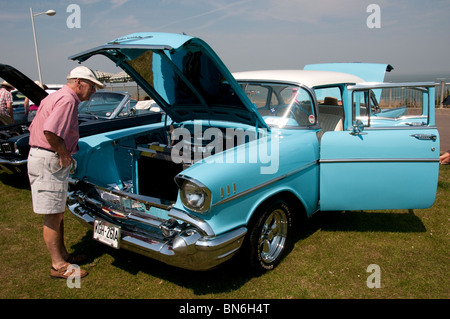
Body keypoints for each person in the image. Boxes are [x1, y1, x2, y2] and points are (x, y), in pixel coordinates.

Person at [27, 66, 104, 279]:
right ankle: (58, 266)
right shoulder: (68, 100)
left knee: (57, 212)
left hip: (42, 157)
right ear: (79, 82)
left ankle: (63, 255)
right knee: (52, 215)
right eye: (92, 86)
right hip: (49, 158)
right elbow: (50, 130)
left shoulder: (55, 96)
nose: (93, 92)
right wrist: (63, 154)